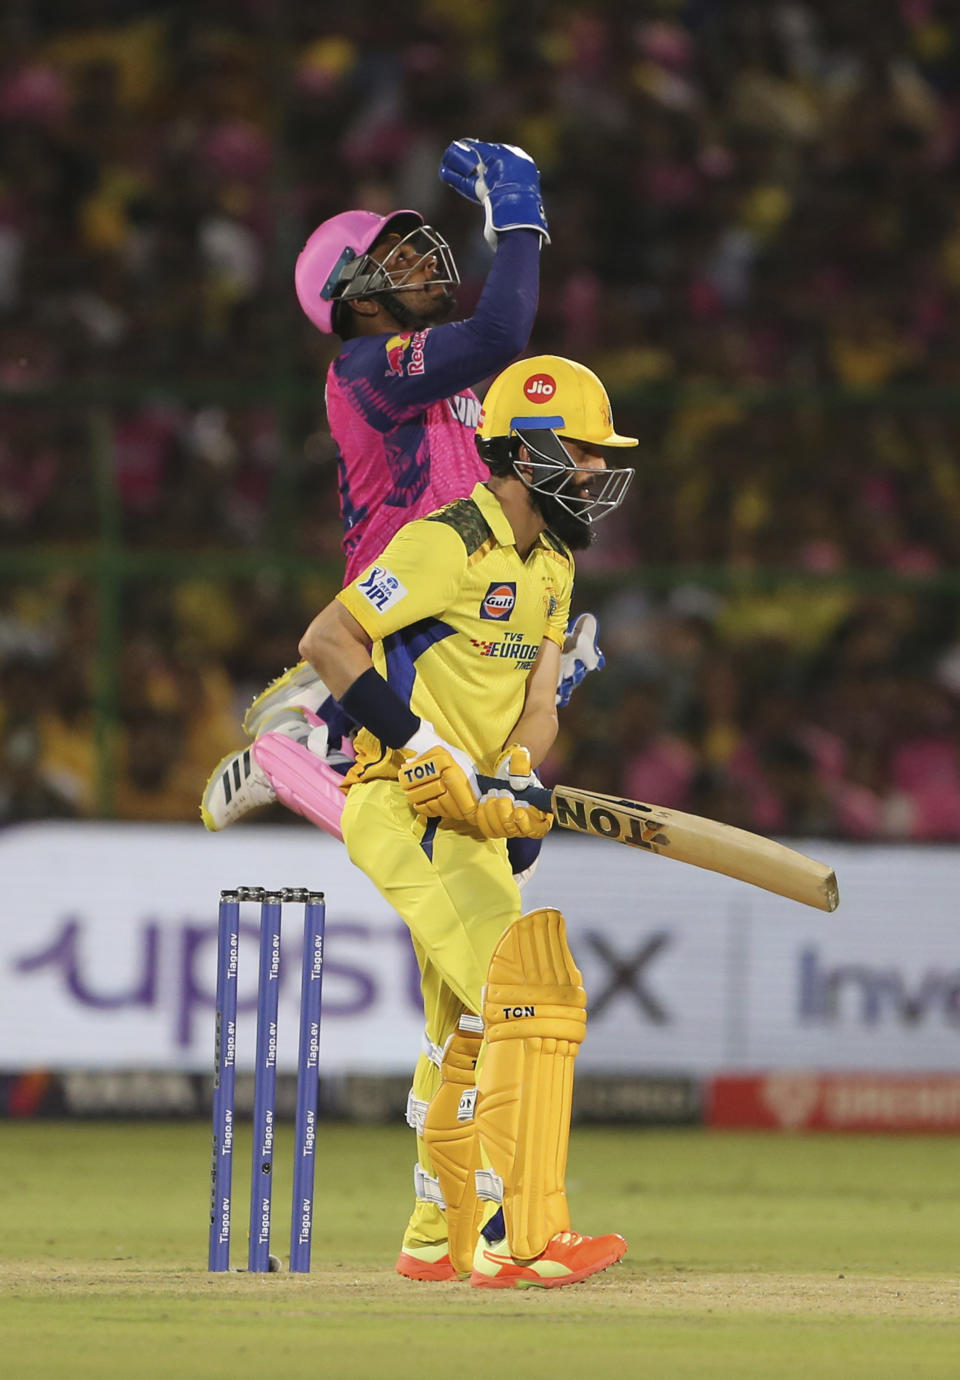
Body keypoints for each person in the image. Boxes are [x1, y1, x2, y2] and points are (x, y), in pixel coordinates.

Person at [296, 353, 637, 1288]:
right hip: (403, 804)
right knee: (528, 997)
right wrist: (420, 745)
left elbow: (540, 698)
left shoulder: (555, 566)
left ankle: (433, 1238)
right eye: (584, 451)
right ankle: (515, 1238)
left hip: (475, 819)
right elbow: (327, 641)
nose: (600, 472)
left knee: (470, 1029)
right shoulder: (441, 544)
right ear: (528, 453)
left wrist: (519, 775)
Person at [201, 139, 605, 860]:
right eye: (398, 257)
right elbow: (502, 331)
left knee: (510, 851)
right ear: (353, 296)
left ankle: (310, 723)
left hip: (459, 612)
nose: (424, 260)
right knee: (471, 845)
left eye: (418, 248)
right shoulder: (365, 368)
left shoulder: (442, 384)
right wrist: (518, 217)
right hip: (409, 618)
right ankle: (304, 736)